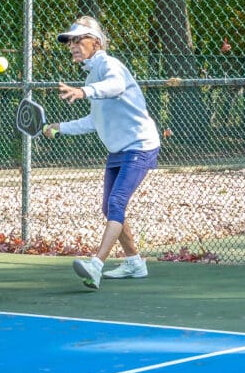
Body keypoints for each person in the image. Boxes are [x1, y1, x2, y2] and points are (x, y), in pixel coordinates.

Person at [42, 16, 161, 290]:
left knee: (117, 203)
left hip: (140, 145)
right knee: (108, 207)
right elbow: (94, 121)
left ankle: (96, 265)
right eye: (70, 41)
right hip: (119, 150)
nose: (72, 45)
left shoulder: (109, 65)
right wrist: (59, 127)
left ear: (95, 42)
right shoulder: (92, 74)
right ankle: (134, 263)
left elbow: (115, 86)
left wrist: (84, 92)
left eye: (78, 39)